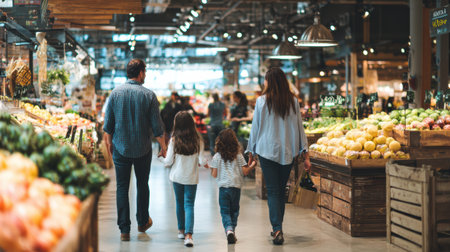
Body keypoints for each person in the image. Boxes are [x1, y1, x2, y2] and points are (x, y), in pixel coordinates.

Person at [103, 59, 167, 241]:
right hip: (143, 148)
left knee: (122, 187)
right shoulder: (149, 96)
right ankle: (142, 221)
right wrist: (163, 147)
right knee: (142, 184)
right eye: (144, 72)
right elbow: (157, 127)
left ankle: (124, 230)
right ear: (139, 72)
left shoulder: (115, 94)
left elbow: (108, 125)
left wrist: (109, 144)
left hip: (121, 148)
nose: (145, 75)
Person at [246, 67, 311, 245]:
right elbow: (300, 128)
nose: (264, 83)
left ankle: (277, 229)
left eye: (266, 80)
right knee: (280, 191)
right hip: (287, 151)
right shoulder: (293, 101)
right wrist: (305, 153)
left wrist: (251, 151)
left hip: (267, 151)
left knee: (274, 191)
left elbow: (255, 128)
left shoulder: (261, 101)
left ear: (270, 81)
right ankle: (277, 227)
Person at [163, 111, 207, 247]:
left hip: (177, 177)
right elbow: (201, 160)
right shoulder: (198, 140)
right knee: (189, 205)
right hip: (191, 178)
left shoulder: (174, 140)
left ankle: (181, 231)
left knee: (179, 204)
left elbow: (168, 162)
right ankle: (189, 235)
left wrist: (161, 157)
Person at [209, 128, 256, 244]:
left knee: (225, 211)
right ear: (235, 141)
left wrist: (210, 167)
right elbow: (245, 172)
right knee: (234, 211)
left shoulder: (217, 157)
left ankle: (229, 230)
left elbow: (214, 175)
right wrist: (253, 165)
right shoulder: (238, 156)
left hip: (223, 188)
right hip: (235, 187)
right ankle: (232, 231)